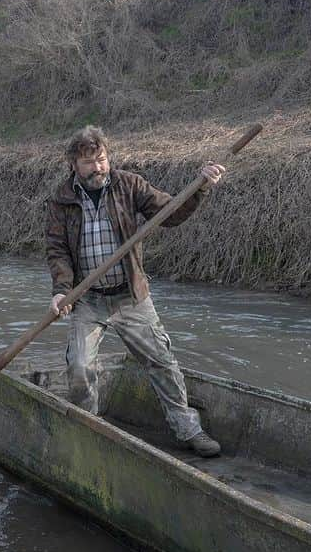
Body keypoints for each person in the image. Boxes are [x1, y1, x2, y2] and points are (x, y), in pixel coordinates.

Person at [44, 126, 226, 457]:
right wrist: (61, 291)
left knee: (162, 361)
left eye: (101, 159)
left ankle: (189, 429)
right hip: (89, 300)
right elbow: (57, 251)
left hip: (131, 296)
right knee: (81, 367)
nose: (98, 168)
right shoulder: (62, 200)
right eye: (88, 162)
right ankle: (88, 430)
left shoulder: (129, 185)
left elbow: (171, 213)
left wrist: (199, 188)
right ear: (73, 164)